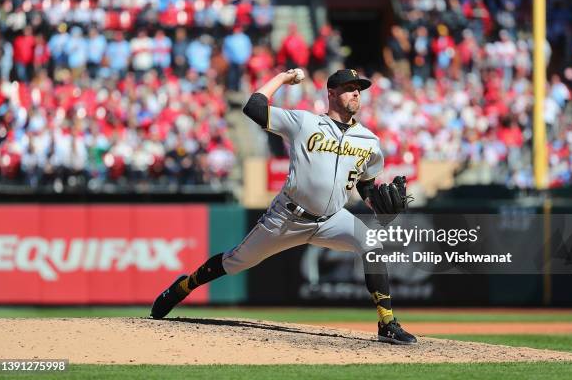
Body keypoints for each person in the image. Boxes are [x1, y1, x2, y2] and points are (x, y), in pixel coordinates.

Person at [150, 68, 418, 345]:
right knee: (235, 261)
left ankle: (386, 323)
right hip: (287, 217)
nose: (356, 93)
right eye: (350, 87)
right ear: (332, 93)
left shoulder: (369, 140)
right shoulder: (304, 122)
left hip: (332, 219)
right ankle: (184, 286)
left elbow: (365, 182)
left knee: (371, 245)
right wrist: (282, 78)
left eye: (358, 89)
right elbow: (254, 108)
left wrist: (375, 203)